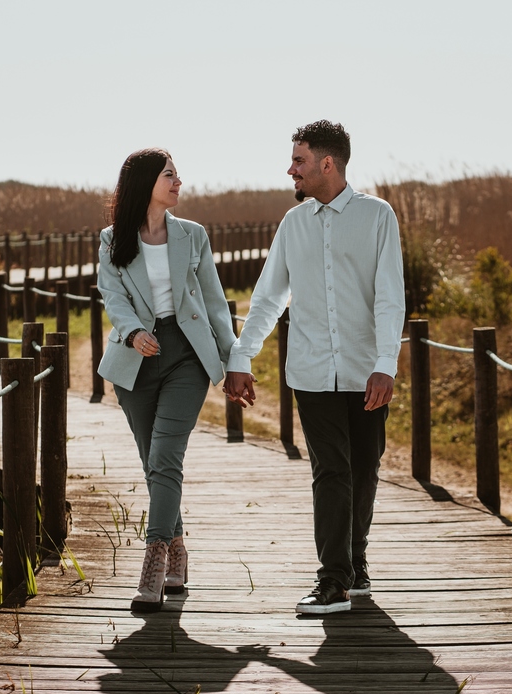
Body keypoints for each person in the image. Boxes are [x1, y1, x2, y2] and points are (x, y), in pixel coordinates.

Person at [224, 121, 405, 615]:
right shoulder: (293, 223)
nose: (291, 170)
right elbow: (267, 299)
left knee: (365, 468)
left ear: (328, 163)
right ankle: (333, 579)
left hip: (366, 371)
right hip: (310, 372)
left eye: (299, 160)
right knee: (332, 470)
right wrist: (242, 356)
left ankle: (354, 560)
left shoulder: (376, 216)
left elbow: (391, 297)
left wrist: (386, 364)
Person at [96, 148, 239, 612]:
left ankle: (153, 563)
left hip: (185, 357)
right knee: (153, 463)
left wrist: (235, 360)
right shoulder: (112, 238)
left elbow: (215, 302)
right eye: (169, 175)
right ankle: (179, 552)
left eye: (177, 174)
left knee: (164, 455)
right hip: (135, 358)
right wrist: (133, 331)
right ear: (144, 183)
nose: (179, 182)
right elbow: (111, 293)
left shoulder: (192, 236)